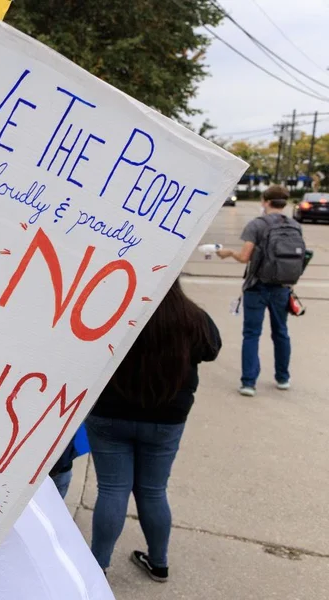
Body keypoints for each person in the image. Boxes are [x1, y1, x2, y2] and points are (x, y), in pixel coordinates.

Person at [85, 280, 221, 581]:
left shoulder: (116, 311)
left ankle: (98, 568)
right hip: (166, 417)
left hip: (110, 413)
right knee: (153, 490)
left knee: (111, 489)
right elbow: (211, 350)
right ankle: (158, 562)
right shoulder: (193, 317)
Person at [217, 184, 302, 396]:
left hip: (256, 286)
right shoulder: (294, 225)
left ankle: (248, 383)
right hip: (282, 287)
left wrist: (228, 253)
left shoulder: (257, 224)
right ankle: (283, 378)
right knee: (281, 332)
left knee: (252, 334)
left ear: (265, 201)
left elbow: (245, 257)